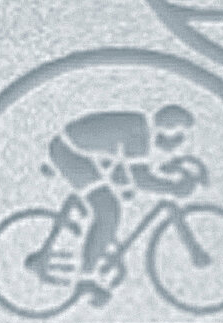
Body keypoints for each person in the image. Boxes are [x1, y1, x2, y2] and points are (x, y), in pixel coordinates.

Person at [26, 105, 207, 299]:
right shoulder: (140, 133)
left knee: (114, 195)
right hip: (71, 153)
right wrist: (173, 188)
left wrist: (168, 178)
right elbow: (140, 177)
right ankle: (86, 279)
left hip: (81, 151)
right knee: (108, 211)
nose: (179, 144)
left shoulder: (140, 126)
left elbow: (127, 172)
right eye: (179, 137)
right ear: (167, 130)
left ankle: (93, 249)